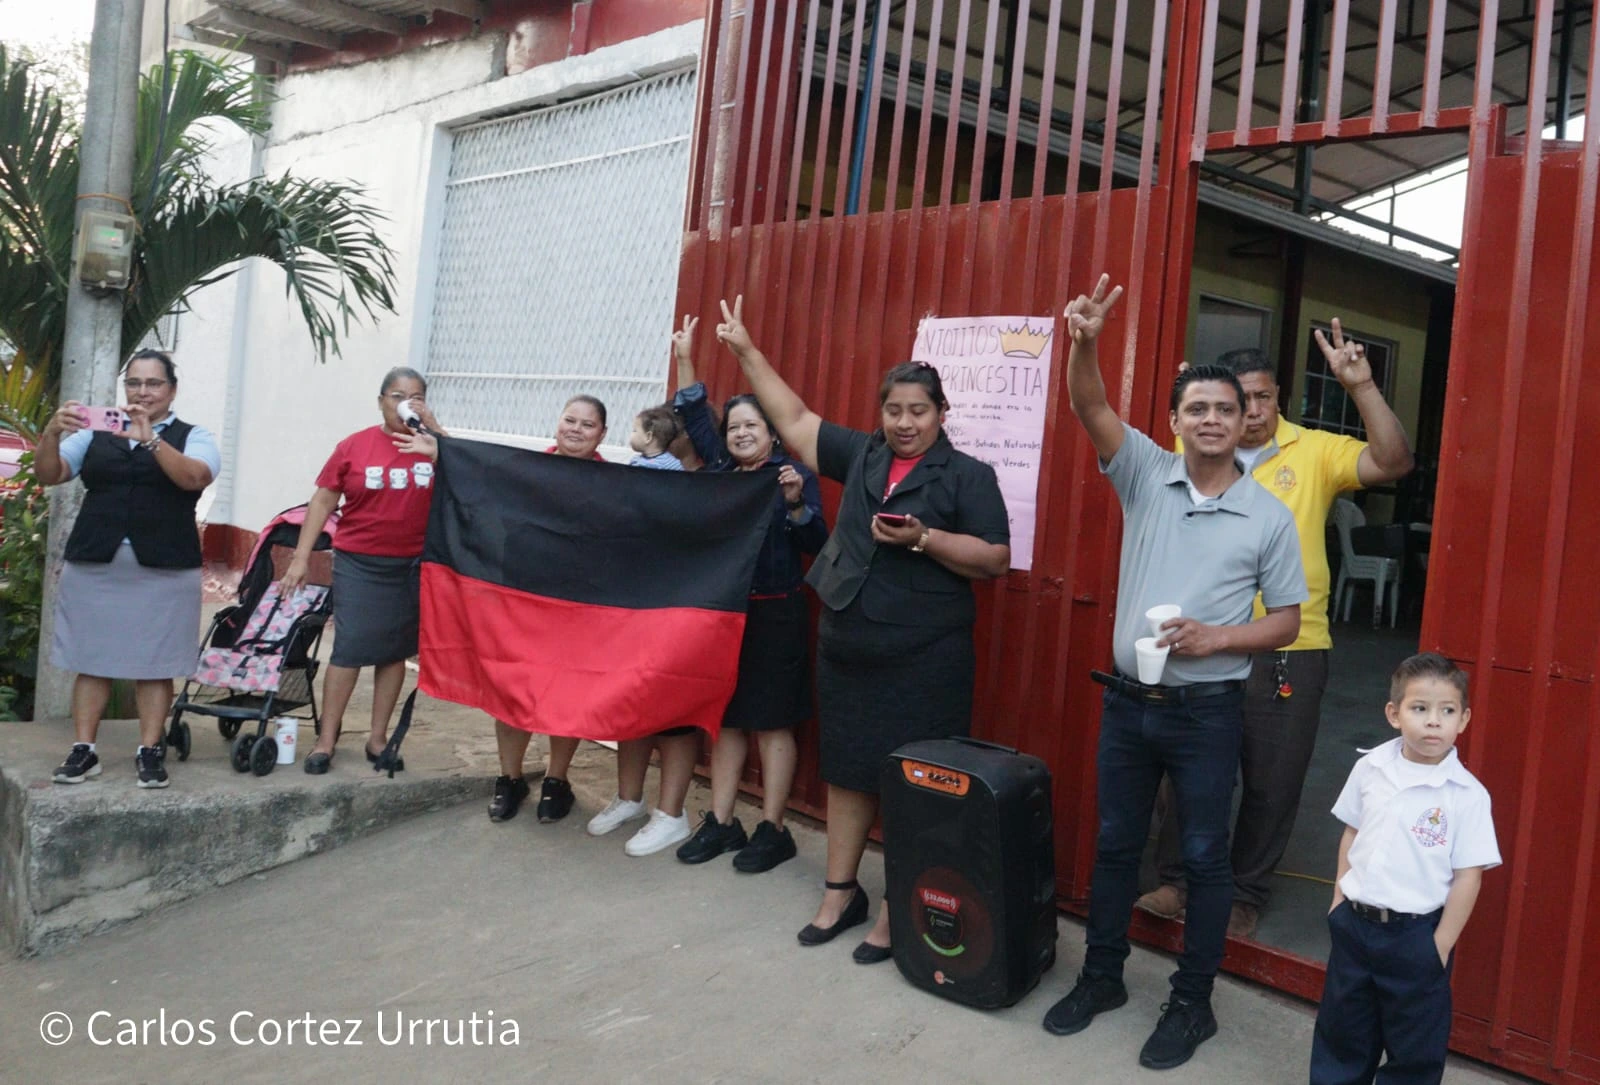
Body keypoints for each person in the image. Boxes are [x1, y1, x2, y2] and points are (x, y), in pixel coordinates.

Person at [1042, 275, 1305, 1070]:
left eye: (1227, 408)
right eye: (1198, 408)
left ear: (1246, 420)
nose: (1214, 419)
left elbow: (1288, 622)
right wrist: (1083, 343)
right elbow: (1090, 406)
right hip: (1128, 705)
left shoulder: (1269, 514)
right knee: (1118, 843)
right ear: (1175, 421)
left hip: (1207, 711)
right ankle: (1103, 977)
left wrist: (1216, 637)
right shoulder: (1146, 474)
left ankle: (1193, 1003)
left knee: (1201, 857)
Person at [713, 295, 1011, 964]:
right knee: (848, 773)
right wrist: (744, 350)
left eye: (918, 411)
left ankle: (893, 907)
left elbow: (994, 558)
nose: (905, 423)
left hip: (925, 654)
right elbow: (789, 416)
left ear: (941, 414)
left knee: (912, 783)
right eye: (894, 410)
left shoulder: (969, 475)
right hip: (849, 647)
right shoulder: (864, 455)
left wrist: (926, 538)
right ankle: (839, 892)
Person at [1140, 324, 1415, 939]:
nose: (1255, 411)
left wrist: (1362, 385)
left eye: (1265, 397)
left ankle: (1244, 894)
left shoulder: (1314, 451)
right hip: (1201, 640)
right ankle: (1177, 880)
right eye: (1242, 399)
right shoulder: (1197, 450)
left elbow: (1394, 461)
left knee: (1272, 780)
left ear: (1278, 399)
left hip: (1291, 646)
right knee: (1190, 773)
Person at [668, 314, 828, 873]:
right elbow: (692, 414)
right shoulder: (720, 473)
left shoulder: (791, 476)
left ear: (771, 434)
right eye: (733, 427)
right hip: (725, 616)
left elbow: (816, 541)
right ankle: (723, 820)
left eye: (750, 426)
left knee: (773, 722)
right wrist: (687, 357)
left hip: (778, 614)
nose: (739, 434)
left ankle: (774, 827)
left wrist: (792, 504)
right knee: (729, 719)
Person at [1310, 652, 1499, 1085]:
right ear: (1394, 715)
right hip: (1355, 927)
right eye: (1420, 709)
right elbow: (1352, 834)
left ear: (1464, 720)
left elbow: (1469, 875)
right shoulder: (1371, 767)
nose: (1434, 722)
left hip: (1417, 937)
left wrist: (1441, 944)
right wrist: (1339, 901)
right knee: (1343, 1033)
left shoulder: (1466, 795)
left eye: (1447, 711)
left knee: (1414, 1047)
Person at [36, 349, 222, 789]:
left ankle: (150, 749)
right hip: (97, 561)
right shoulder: (97, 431)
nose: (142, 392)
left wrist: (150, 440)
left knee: (154, 663)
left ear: (172, 390)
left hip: (164, 565)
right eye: (134, 383)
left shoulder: (194, 435)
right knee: (90, 658)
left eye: (153, 384)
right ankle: (84, 750)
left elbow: (195, 477)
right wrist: (51, 433)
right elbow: (51, 473)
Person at [281, 367, 447, 775]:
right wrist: (302, 557)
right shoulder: (354, 446)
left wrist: (437, 435)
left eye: (415, 396)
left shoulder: (435, 447)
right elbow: (322, 501)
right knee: (351, 649)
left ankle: (377, 738)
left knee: (393, 651)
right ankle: (326, 739)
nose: (405, 402)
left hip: (412, 564)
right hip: (359, 563)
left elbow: (469, 480)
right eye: (396, 395)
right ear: (380, 401)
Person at [486, 394, 609, 823]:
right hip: (524, 599)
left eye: (587, 424)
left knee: (567, 693)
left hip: (581, 606)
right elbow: (477, 478)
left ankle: (557, 780)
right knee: (513, 691)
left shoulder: (617, 484)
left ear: (602, 435)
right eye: (569, 419)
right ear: (556, 424)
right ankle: (510, 779)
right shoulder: (526, 472)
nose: (575, 429)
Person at [627, 405, 686, 471]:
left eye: (634, 430)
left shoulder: (641, 466)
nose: (631, 434)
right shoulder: (675, 462)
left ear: (648, 437)